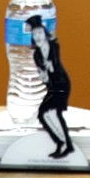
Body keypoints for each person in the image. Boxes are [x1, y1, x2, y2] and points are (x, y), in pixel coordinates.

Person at [28, 14, 74, 159]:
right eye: (34, 34)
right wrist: (43, 76)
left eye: (40, 33)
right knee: (43, 114)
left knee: (52, 113)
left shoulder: (54, 47)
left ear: (45, 34)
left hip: (62, 84)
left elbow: (55, 66)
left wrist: (50, 68)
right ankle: (62, 143)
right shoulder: (36, 54)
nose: (37, 36)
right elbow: (45, 77)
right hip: (52, 86)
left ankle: (65, 144)